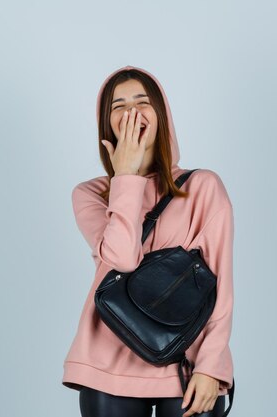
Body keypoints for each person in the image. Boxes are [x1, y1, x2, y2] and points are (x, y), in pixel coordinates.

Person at [62, 65, 235, 417]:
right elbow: (123, 259)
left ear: (161, 114)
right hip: (108, 364)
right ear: (105, 125)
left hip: (187, 362)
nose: (131, 114)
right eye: (118, 107)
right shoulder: (91, 195)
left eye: (142, 102)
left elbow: (221, 284)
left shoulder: (203, 187)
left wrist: (211, 365)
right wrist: (126, 176)